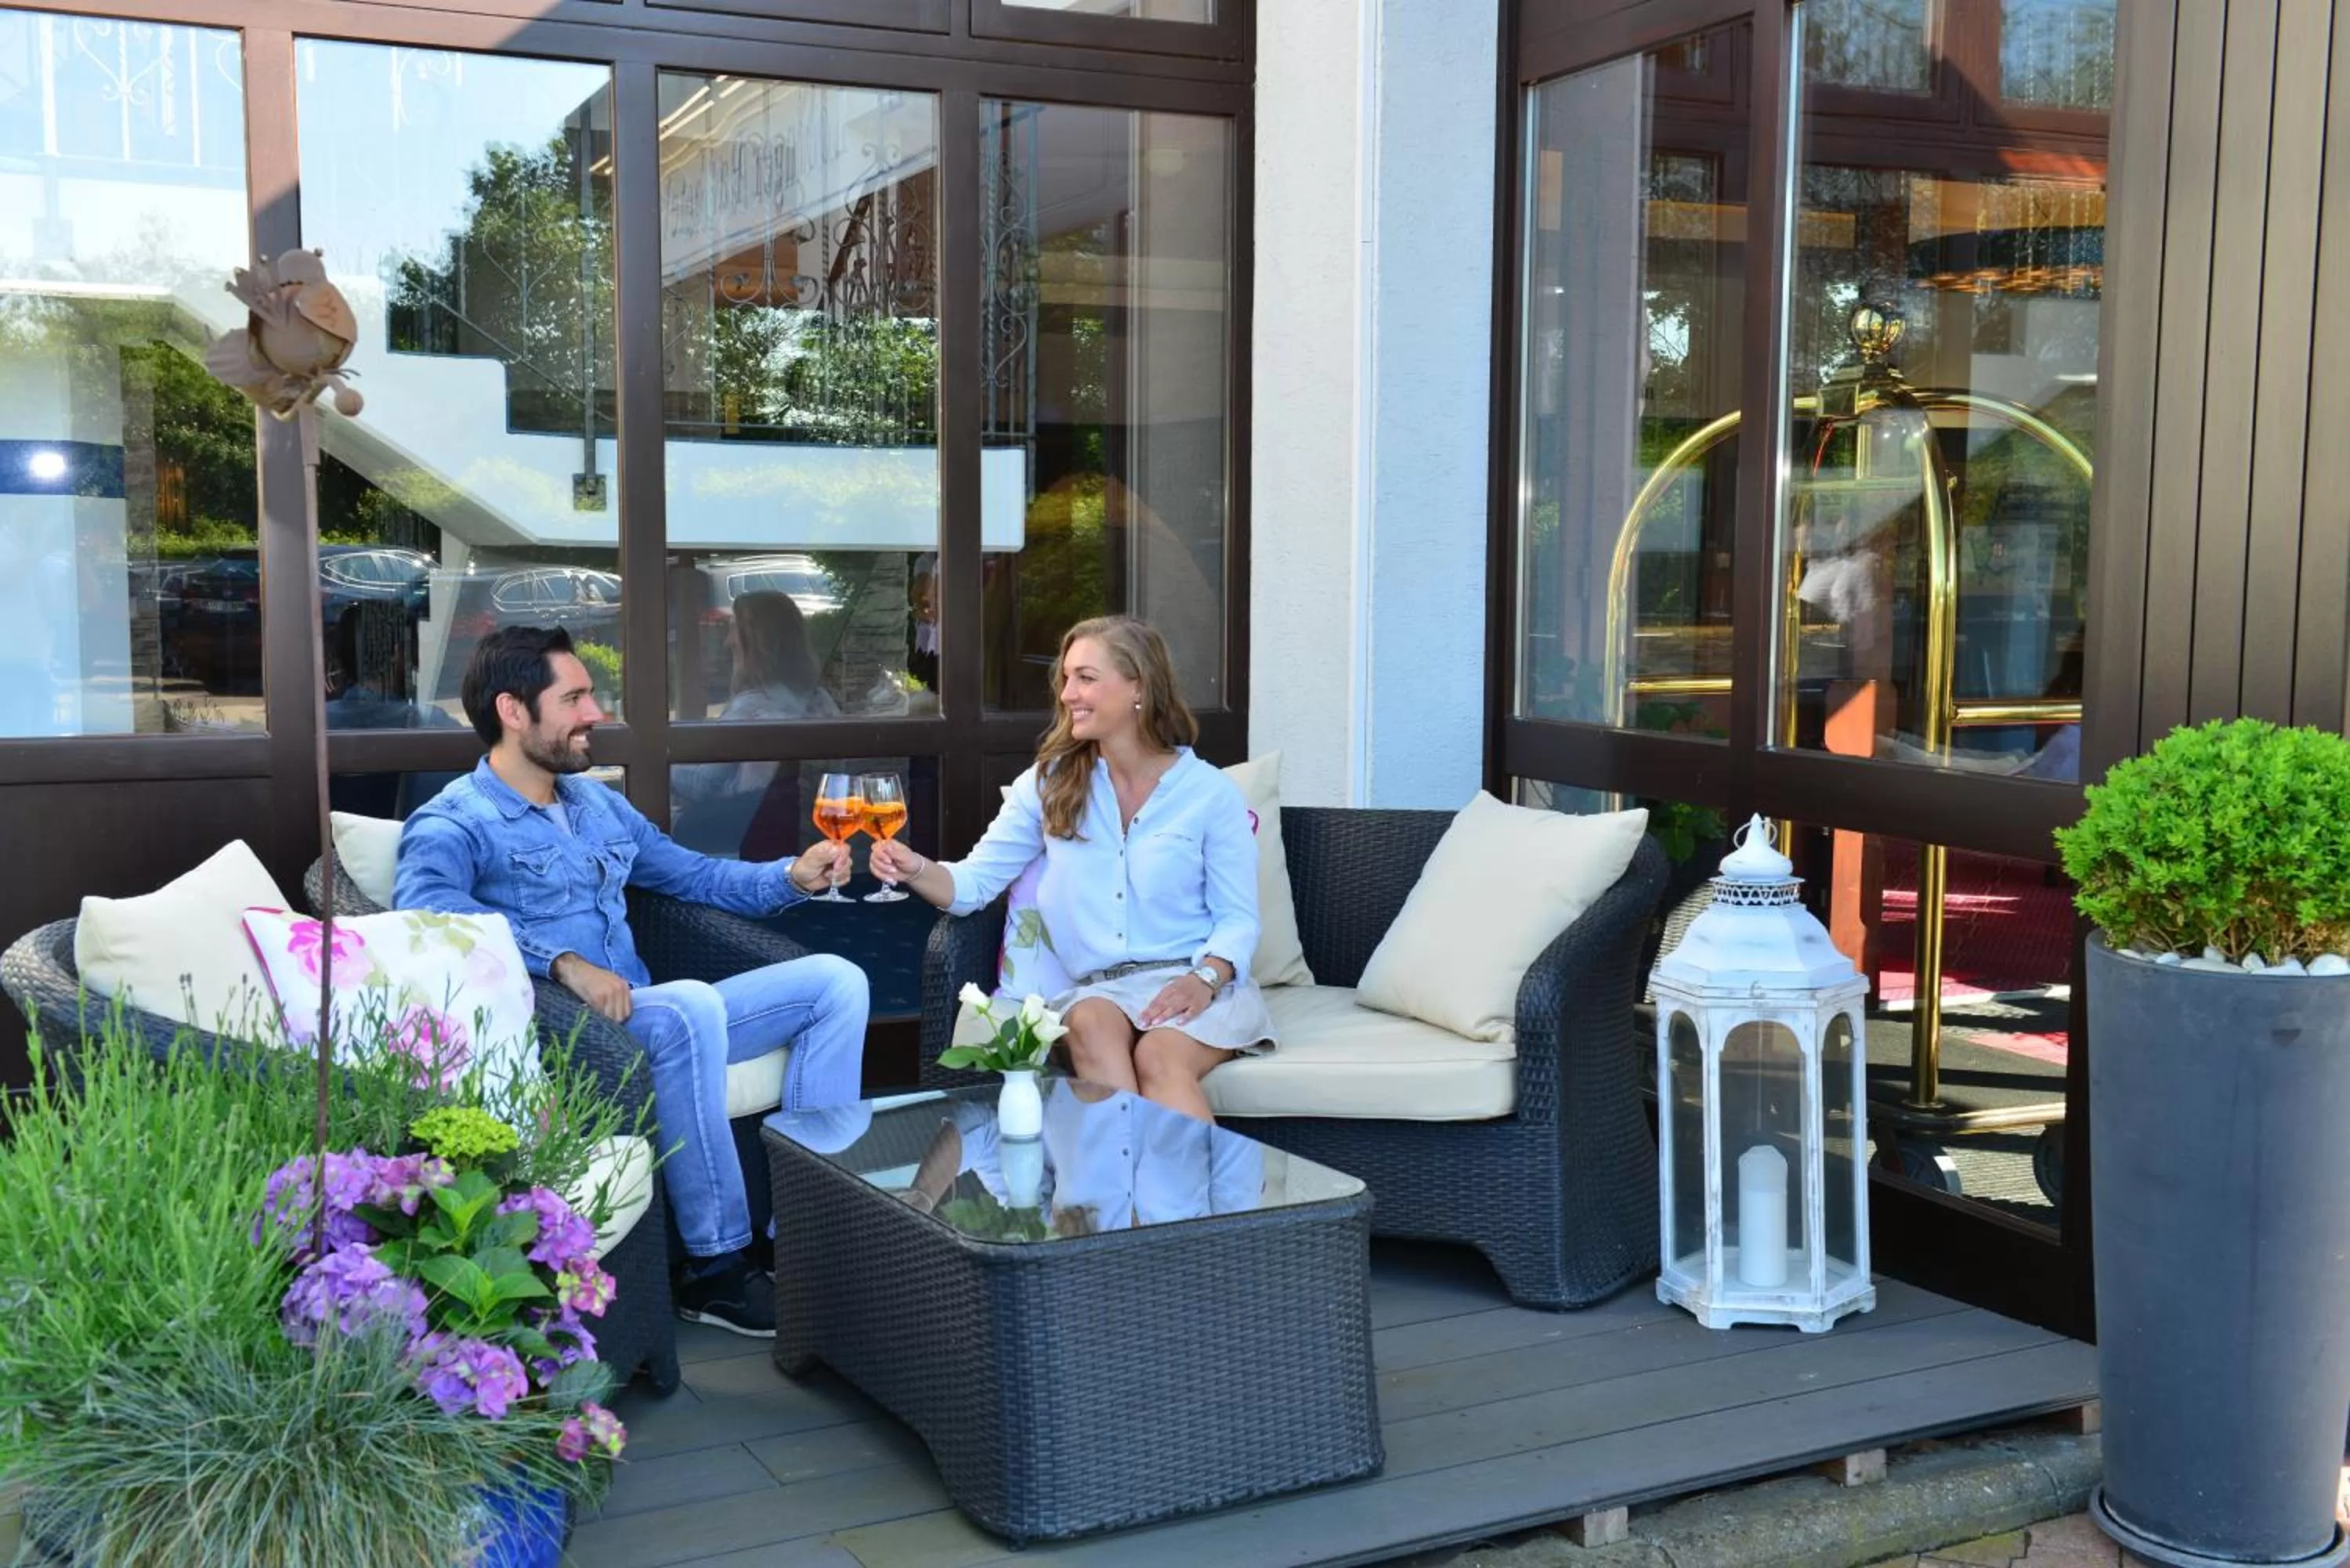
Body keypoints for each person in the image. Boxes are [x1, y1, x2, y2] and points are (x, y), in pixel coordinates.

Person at [395, 624, 870, 1338]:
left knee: (838, 981)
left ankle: (805, 1230)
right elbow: (426, 912)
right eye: (576, 698)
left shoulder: (596, 805)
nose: (595, 715)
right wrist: (560, 962)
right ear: (514, 710)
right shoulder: (458, 819)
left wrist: (788, 875)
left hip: (651, 1012)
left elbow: (695, 875)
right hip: (566, 1031)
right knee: (686, 1008)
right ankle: (716, 1266)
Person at [871, 615, 1271, 1120]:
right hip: (1100, 989)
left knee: (1160, 1058)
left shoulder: (1210, 794)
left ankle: (1183, 1201)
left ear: (1138, 687)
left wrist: (1207, 979)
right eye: (1065, 678)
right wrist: (912, 867)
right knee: (1088, 1020)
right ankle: (1136, 1198)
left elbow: (1238, 917)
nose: (1066, 693)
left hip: (1194, 979)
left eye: (1086, 677)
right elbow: (972, 885)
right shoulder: (1050, 783)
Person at [673, 591, 842, 810]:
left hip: (740, 830)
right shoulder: (820, 700)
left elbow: (705, 782)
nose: (728, 641)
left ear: (758, 640)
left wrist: (660, 760)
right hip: (804, 828)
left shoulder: (751, 707)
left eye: (734, 629)